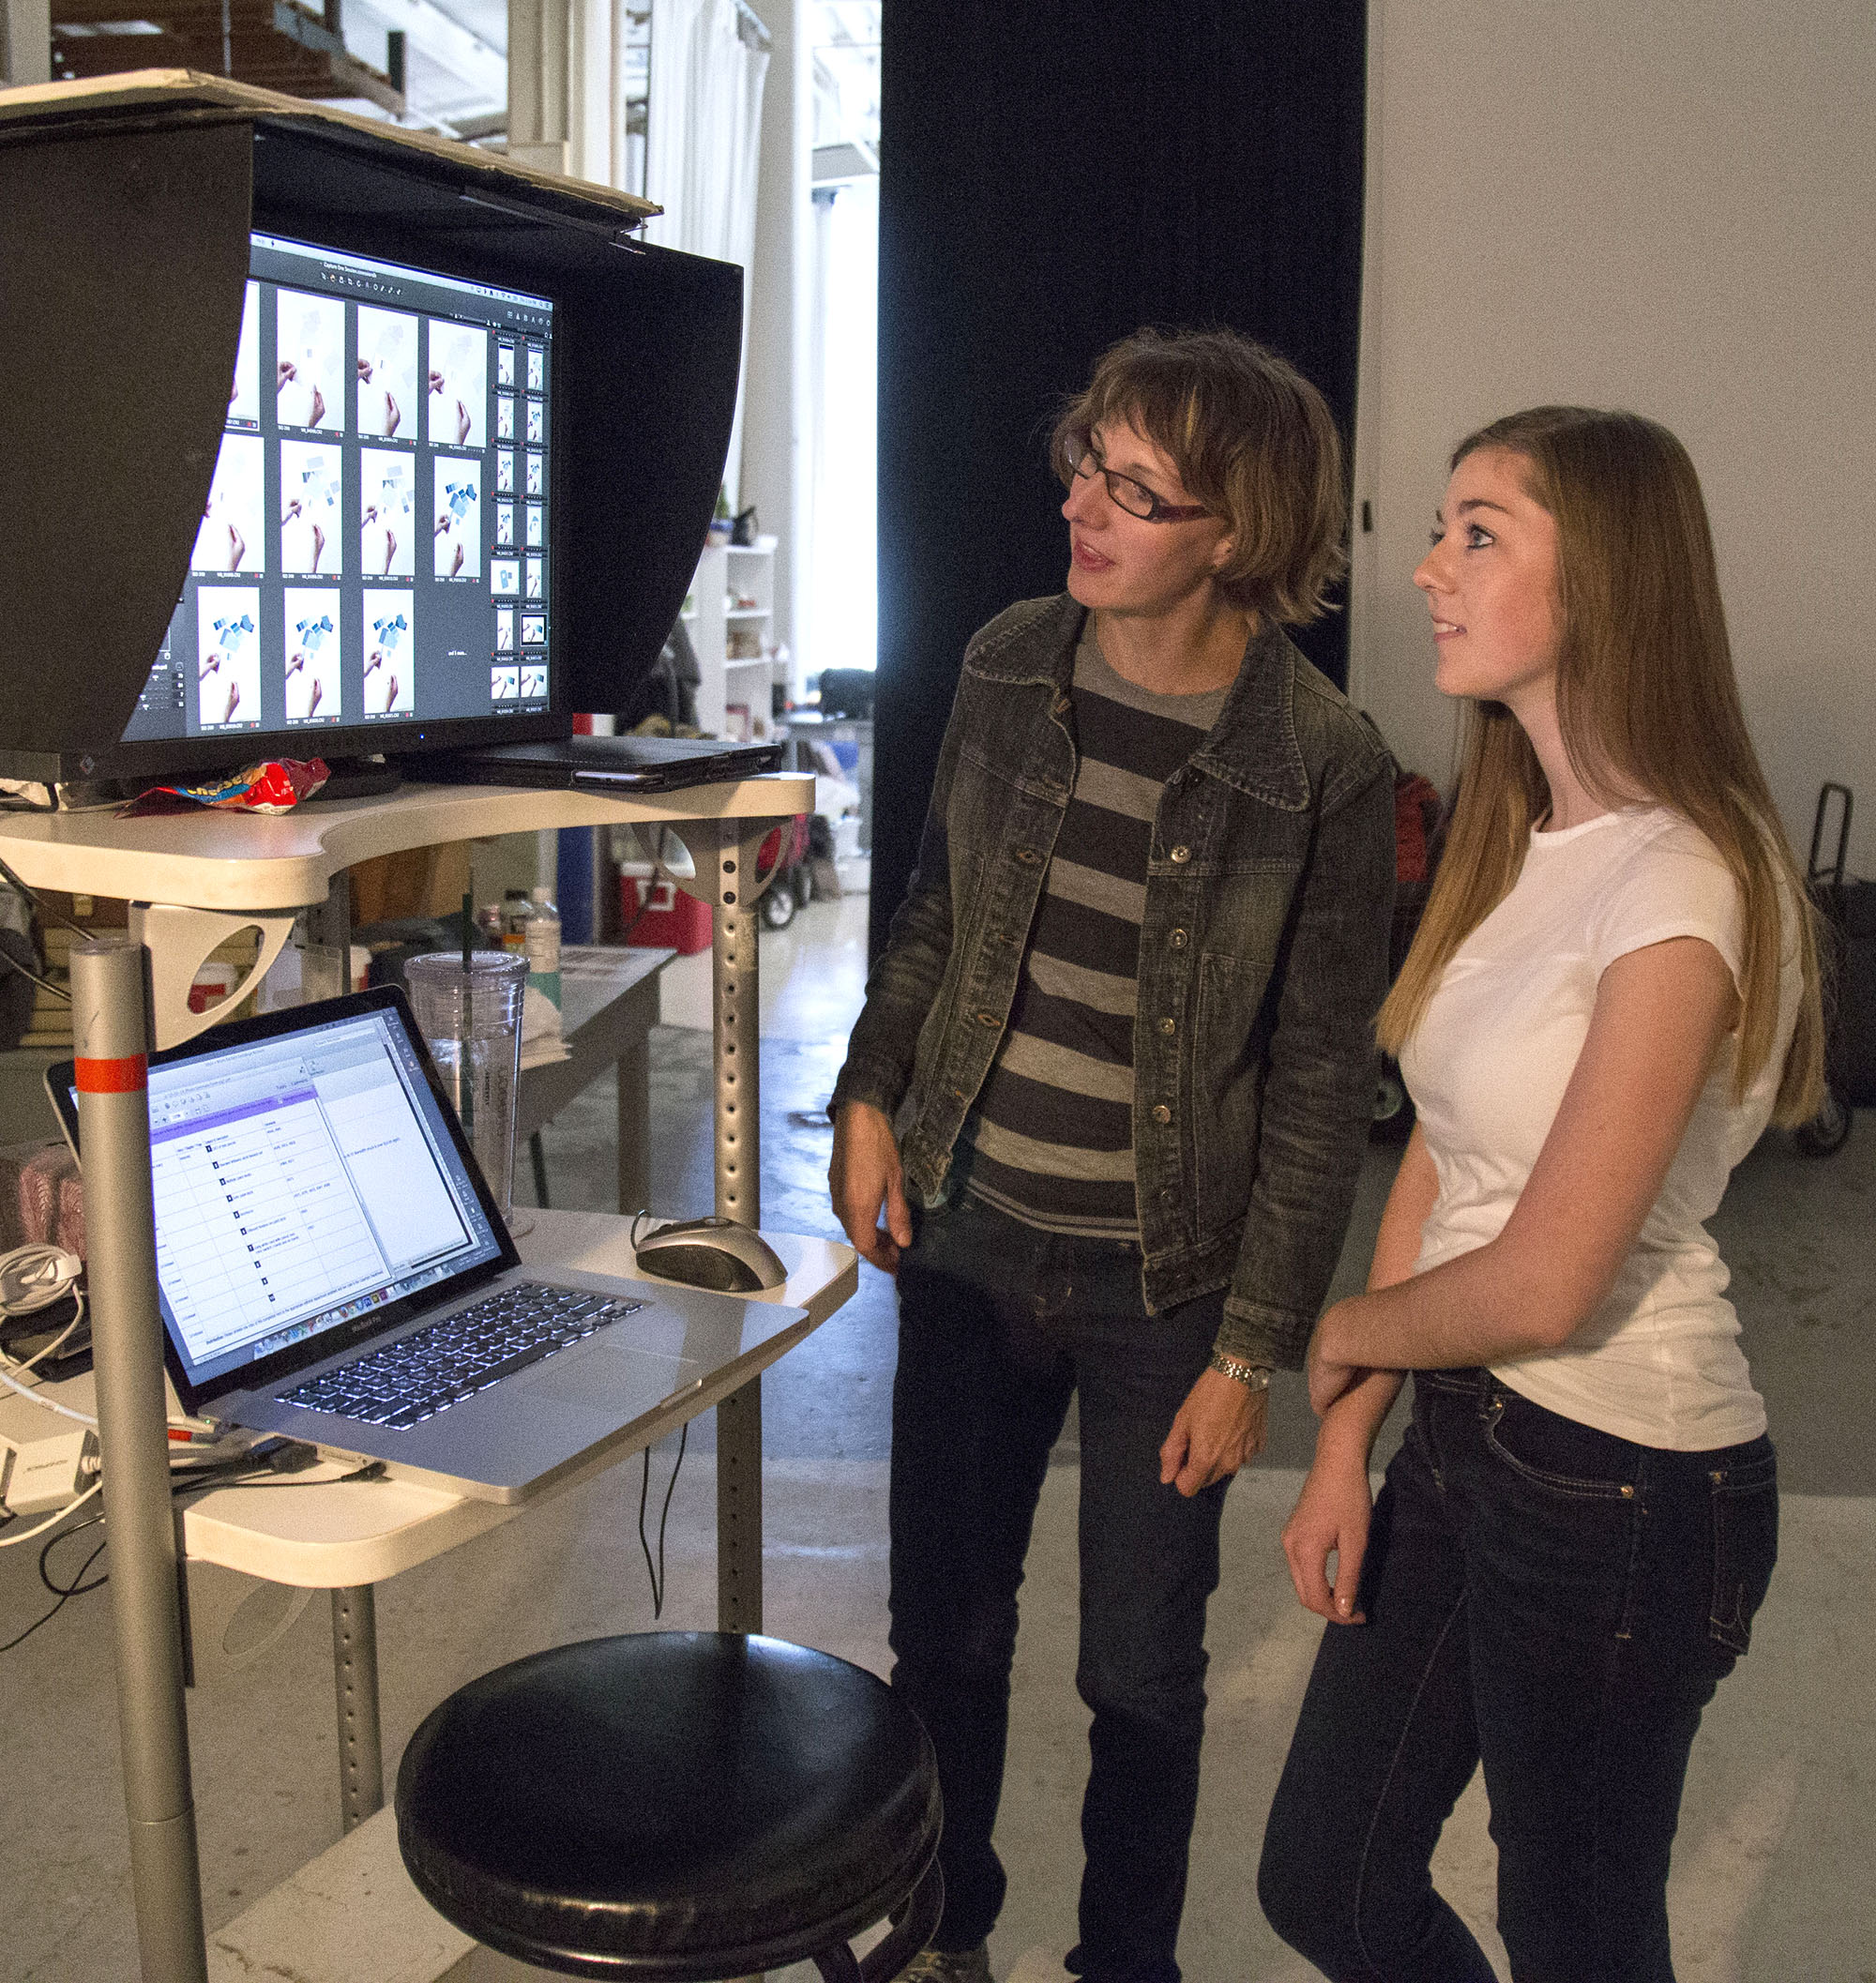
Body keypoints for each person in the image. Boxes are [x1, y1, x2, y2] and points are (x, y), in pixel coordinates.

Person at [829, 327, 1396, 1983]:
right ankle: (945, 1936)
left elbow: (1316, 1085)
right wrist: (871, 1086)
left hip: (1170, 1290)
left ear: (1239, 533)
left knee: (1141, 1674)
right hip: (970, 1226)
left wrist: (1255, 1347)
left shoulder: (1321, 761)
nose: (1085, 503)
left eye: (1138, 491)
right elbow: (938, 912)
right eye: (1088, 460)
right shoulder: (1014, 660)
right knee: (946, 1634)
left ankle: (1119, 1966)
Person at [1256, 406, 1824, 1983]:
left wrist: (1347, 1332)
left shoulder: (1688, 878)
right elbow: (1445, 1150)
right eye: (1442, 529)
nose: (1430, 566)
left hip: (1625, 1480)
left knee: (1574, 1937)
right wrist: (1351, 1437)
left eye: (1479, 531)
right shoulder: (1530, 840)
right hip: (1463, 1433)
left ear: (1609, 582)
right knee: (1329, 1875)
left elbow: (1551, 1272)